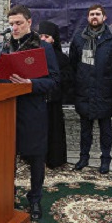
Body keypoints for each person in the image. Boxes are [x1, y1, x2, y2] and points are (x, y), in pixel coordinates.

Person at [0, 5, 59, 220]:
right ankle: (7, 195)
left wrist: (30, 83)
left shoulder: (43, 47)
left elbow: (54, 81)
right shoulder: (5, 47)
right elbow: (2, 76)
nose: (14, 27)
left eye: (18, 23)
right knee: (7, 156)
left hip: (33, 112)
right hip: (7, 110)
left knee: (36, 158)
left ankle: (35, 199)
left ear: (29, 22)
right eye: (11, 24)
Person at [69, 4, 112, 174]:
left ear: (104, 17)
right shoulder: (79, 39)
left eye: (98, 14)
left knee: (105, 129)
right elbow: (73, 63)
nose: (95, 17)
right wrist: (83, 78)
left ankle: (105, 159)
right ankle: (83, 158)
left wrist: (106, 79)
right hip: (84, 91)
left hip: (104, 91)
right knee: (85, 129)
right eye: (91, 14)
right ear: (88, 18)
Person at [38, 21, 71, 168]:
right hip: (37, 101)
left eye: (47, 36)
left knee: (54, 131)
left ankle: (54, 159)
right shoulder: (34, 55)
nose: (43, 39)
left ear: (54, 39)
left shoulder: (62, 58)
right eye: (41, 36)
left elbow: (68, 78)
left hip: (53, 101)